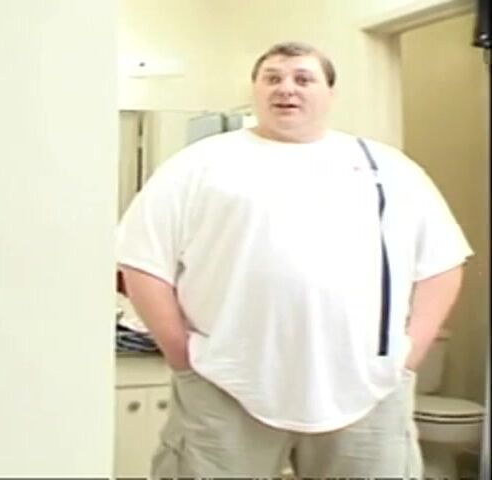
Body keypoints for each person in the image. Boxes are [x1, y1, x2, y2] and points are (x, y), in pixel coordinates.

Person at [116, 41, 472, 478]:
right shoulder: (197, 166)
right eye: (273, 78)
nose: (286, 88)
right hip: (225, 383)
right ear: (255, 90)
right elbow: (141, 262)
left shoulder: (390, 169)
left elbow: (442, 264)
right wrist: (181, 356)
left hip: (367, 388)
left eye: (303, 78)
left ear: (330, 93)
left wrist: (408, 356)